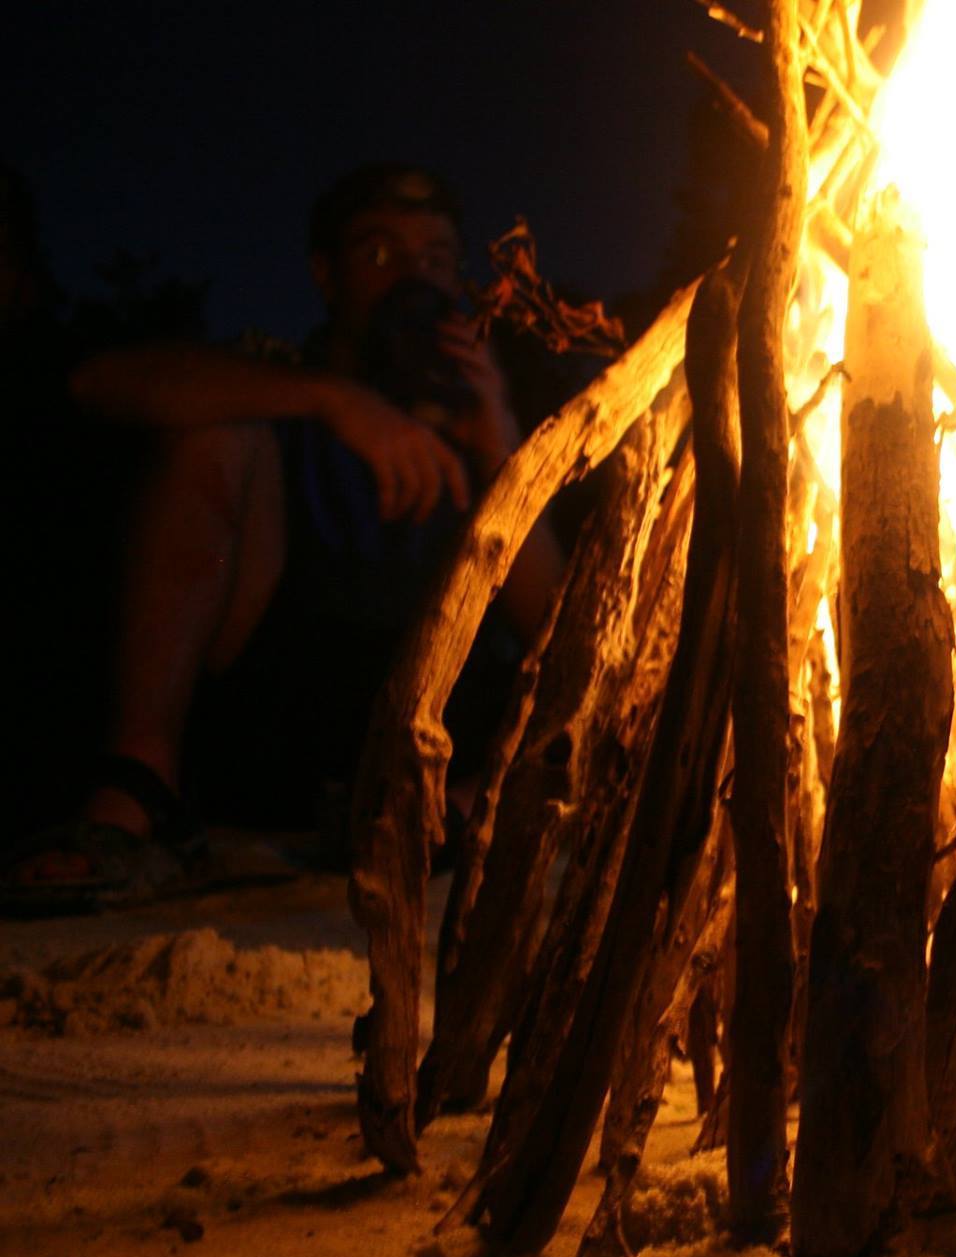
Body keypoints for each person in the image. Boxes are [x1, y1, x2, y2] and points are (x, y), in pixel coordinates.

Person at [9, 164, 563, 904]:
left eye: (435, 259)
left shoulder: (479, 424)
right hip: (286, 713)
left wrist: (502, 448)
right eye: (379, 253)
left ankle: (445, 819)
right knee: (217, 434)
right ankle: (135, 793)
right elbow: (96, 383)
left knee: (590, 685)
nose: (411, 277)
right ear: (325, 275)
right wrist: (335, 400)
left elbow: (561, 629)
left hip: (439, 746)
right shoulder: (276, 381)